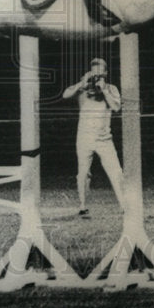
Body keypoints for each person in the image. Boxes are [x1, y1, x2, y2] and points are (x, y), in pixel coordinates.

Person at [62, 57, 124, 217]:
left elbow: (116, 107)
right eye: (94, 73)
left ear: (105, 73)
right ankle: (83, 206)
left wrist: (103, 90)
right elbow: (65, 95)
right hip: (84, 138)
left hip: (104, 138)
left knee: (116, 172)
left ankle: (124, 205)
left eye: (100, 74)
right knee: (83, 173)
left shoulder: (111, 88)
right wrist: (81, 83)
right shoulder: (82, 90)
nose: (97, 77)